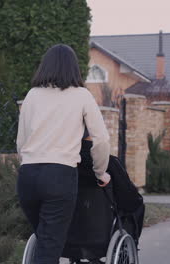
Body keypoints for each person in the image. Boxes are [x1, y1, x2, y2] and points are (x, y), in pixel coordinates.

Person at [16, 44, 111, 264]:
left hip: (28, 176)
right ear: (74, 68)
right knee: (49, 248)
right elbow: (101, 140)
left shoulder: (31, 95)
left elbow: (21, 142)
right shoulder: (82, 95)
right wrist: (100, 172)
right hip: (59, 176)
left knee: (45, 241)